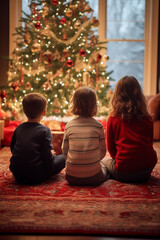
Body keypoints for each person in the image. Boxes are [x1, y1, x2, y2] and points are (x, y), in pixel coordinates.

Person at [102, 76, 157, 183]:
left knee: (104, 161)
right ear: (139, 95)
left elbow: (111, 150)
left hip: (123, 173)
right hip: (147, 170)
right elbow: (150, 143)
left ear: (117, 95)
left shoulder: (113, 119)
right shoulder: (148, 118)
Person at [9, 93, 65, 185]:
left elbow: (13, 148)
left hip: (17, 173)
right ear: (44, 112)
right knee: (63, 157)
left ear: (23, 110)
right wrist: (51, 155)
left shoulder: (19, 128)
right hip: (37, 176)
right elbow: (47, 159)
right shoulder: (45, 130)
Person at [62, 86, 109, 186]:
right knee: (106, 166)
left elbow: (64, 150)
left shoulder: (69, 125)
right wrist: (92, 162)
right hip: (94, 178)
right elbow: (103, 151)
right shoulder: (98, 126)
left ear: (74, 104)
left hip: (71, 178)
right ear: (94, 105)